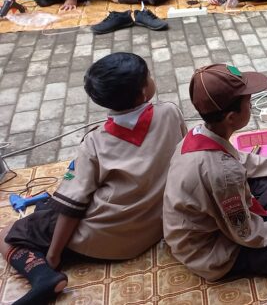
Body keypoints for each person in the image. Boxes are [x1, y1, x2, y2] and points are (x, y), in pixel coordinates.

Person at [0, 53, 186, 304]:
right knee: (48, 211)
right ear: (144, 92)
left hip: (105, 240)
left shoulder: (95, 142)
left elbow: (71, 206)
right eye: (149, 76)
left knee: (7, 233)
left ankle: (43, 276)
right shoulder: (171, 114)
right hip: (156, 227)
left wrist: (54, 256)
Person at [163, 64, 267, 281]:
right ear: (231, 117)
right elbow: (246, 234)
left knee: (266, 174)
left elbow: (241, 160)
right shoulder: (223, 173)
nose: (252, 108)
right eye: (249, 104)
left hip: (211, 214)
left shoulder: (197, 133)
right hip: (209, 248)